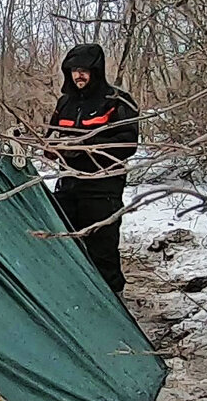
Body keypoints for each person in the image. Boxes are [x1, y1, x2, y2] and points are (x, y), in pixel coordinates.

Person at [46, 43, 139, 295]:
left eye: (85, 69)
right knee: (65, 247)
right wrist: (54, 148)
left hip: (102, 189)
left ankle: (113, 306)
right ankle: (74, 302)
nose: (79, 75)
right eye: (75, 70)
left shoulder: (117, 101)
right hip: (67, 187)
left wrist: (86, 146)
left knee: (103, 251)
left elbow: (128, 143)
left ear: (96, 70)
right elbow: (50, 138)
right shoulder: (64, 103)